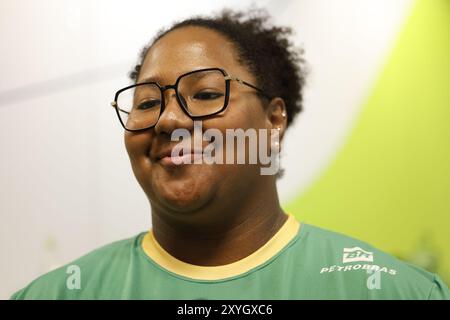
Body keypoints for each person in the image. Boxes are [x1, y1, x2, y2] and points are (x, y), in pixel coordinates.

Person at [12, 9, 449, 299]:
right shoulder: (60, 294)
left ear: (273, 119)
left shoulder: (389, 291)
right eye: (146, 102)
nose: (167, 120)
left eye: (204, 94)